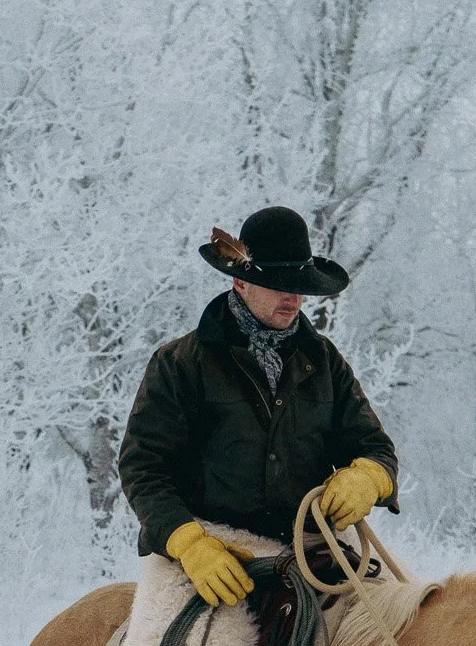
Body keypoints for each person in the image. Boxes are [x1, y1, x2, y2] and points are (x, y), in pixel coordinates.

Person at [118, 206, 399, 602]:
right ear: (240, 282)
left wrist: (369, 477)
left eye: (299, 285)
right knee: (159, 642)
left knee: (398, 617)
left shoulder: (325, 360)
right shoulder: (179, 362)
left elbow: (376, 448)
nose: (293, 298)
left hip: (313, 543)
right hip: (210, 547)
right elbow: (143, 466)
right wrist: (188, 542)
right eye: (280, 284)